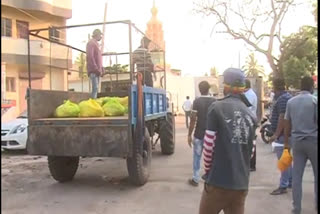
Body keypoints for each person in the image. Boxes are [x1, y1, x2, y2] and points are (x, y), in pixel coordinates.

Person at [199, 68, 257, 214]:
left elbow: (208, 145)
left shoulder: (216, 107)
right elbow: (251, 151)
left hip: (218, 182)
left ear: (226, 86)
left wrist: (208, 172)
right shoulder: (251, 114)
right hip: (241, 185)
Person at [284, 76, 318, 214]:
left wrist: (287, 142)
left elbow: (287, 122)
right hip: (313, 141)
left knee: (297, 176)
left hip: (297, 142)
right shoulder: (315, 101)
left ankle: (296, 208)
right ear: (311, 87)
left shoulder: (291, 102)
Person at [187, 81, 216, 186]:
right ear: (208, 89)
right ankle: (211, 178)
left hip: (199, 134)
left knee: (197, 157)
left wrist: (189, 134)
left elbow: (193, 119)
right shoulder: (214, 101)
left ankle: (195, 179)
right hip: (211, 135)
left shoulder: (197, 102)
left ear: (200, 89)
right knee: (212, 157)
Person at [268, 78, 292, 195]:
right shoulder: (285, 97)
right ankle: (290, 181)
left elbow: (283, 118)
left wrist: (276, 134)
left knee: (283, 161)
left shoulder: (283, 99)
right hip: (284, 135)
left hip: (282, 135)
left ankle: (283, 185)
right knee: (287, 159)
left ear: (275, 87)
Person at [244, 79, 258, 172]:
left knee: (250, 143)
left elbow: (246, 108)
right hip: (250, 120)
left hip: (249, 121)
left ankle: (251, 164)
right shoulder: (250, 93)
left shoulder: (249, 95)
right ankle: (250, 164)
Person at [86, 29, 104, 99]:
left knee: (96, 88)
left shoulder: (95, 44)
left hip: (97, 70)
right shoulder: (91, 43)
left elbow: (98, 58)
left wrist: (101, 68)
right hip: (94, 70)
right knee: (95, 88)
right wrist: (96, 68)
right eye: (100, 35)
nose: (101, 37)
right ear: (97, 35)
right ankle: (93, 103)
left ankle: (94, 103)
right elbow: (90, 56)